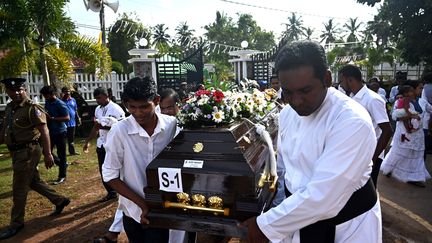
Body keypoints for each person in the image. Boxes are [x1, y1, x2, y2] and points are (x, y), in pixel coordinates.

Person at [241, 41, 381, 243]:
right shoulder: (288, 113)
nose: (296, 100)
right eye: (288, 92)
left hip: (345, 227)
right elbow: (284, 169)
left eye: (305, 91)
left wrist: (266, 226)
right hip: (296, 219)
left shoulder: (351, 120)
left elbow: (324, 196)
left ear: (327, 78)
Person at [102, 77, 177, 242]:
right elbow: (110, 176)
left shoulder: (172, 126)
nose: (138, 113)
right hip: (133, 210)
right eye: (132, 107)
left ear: (156, 101)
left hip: (164, 209)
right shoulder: (119, 131)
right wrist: (143, 205)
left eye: (144, 107)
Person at [0, 78, 70, 240]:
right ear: (7, 92)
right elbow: (6, 130)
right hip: (16, 152)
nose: (16, 93)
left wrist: (48, 154)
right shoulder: (10, 107)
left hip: (28, 151)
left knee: (19, 188)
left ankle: (16, 224)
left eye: (19, 89)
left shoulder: (32, 108)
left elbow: (44, 131)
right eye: (12, 90)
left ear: (25, 90)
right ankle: (59, 200)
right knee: (33, 181)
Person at [338, 64, 392, 187]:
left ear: (349, 79)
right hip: (356, 153)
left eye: (341, 81)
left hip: (369, 156)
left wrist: (373, 158)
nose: (340, 84)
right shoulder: (352, 97)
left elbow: (387, 130)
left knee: (368, 190)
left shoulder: (372, 99)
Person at [381, 82, 431, 187]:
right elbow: (396, 117)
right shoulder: (400, 102)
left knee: (415, 154)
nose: (422, 90)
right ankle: (390, 168)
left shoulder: (422, 102)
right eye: (419, 88)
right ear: (410, 91)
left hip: (418, 134)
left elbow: (429, 110)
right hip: (404, 132)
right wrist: (412, 116)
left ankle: (414, 177)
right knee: (400, 152)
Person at [83, 87, 125, 202]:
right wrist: (87, 141)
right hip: (101, 144)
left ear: (107, 96)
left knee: (117, 169)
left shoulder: (117, 109)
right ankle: (111, 192)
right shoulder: (98, 109)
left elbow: (122, 128)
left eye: (99, 98)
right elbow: (96, 127)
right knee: (103, 169)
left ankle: (122, 191)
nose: (97, 101)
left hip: (114, 144)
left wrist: (103, 127)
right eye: (96, 98)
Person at [40, 86, 70, 185]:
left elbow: (67, 118)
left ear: (51, 94)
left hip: (60, 132)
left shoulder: (60, 104)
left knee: (62, 154)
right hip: (50, 132)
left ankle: (62, 176)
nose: (44, 97)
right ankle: (62, 164)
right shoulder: (48, 102)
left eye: (45, 95)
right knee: (46, 151)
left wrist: (52, 118)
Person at [61, 87, 81, 155]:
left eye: (68, 91)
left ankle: (72, 151)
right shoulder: (61, 101)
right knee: (63, 139)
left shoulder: (73, 100)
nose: (68, 93)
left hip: (72, 122)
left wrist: (78, 118)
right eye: (66, 91)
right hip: (64, 123)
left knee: (71, 138)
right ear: (63, 92)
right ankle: (62, 153)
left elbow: (75, 110)